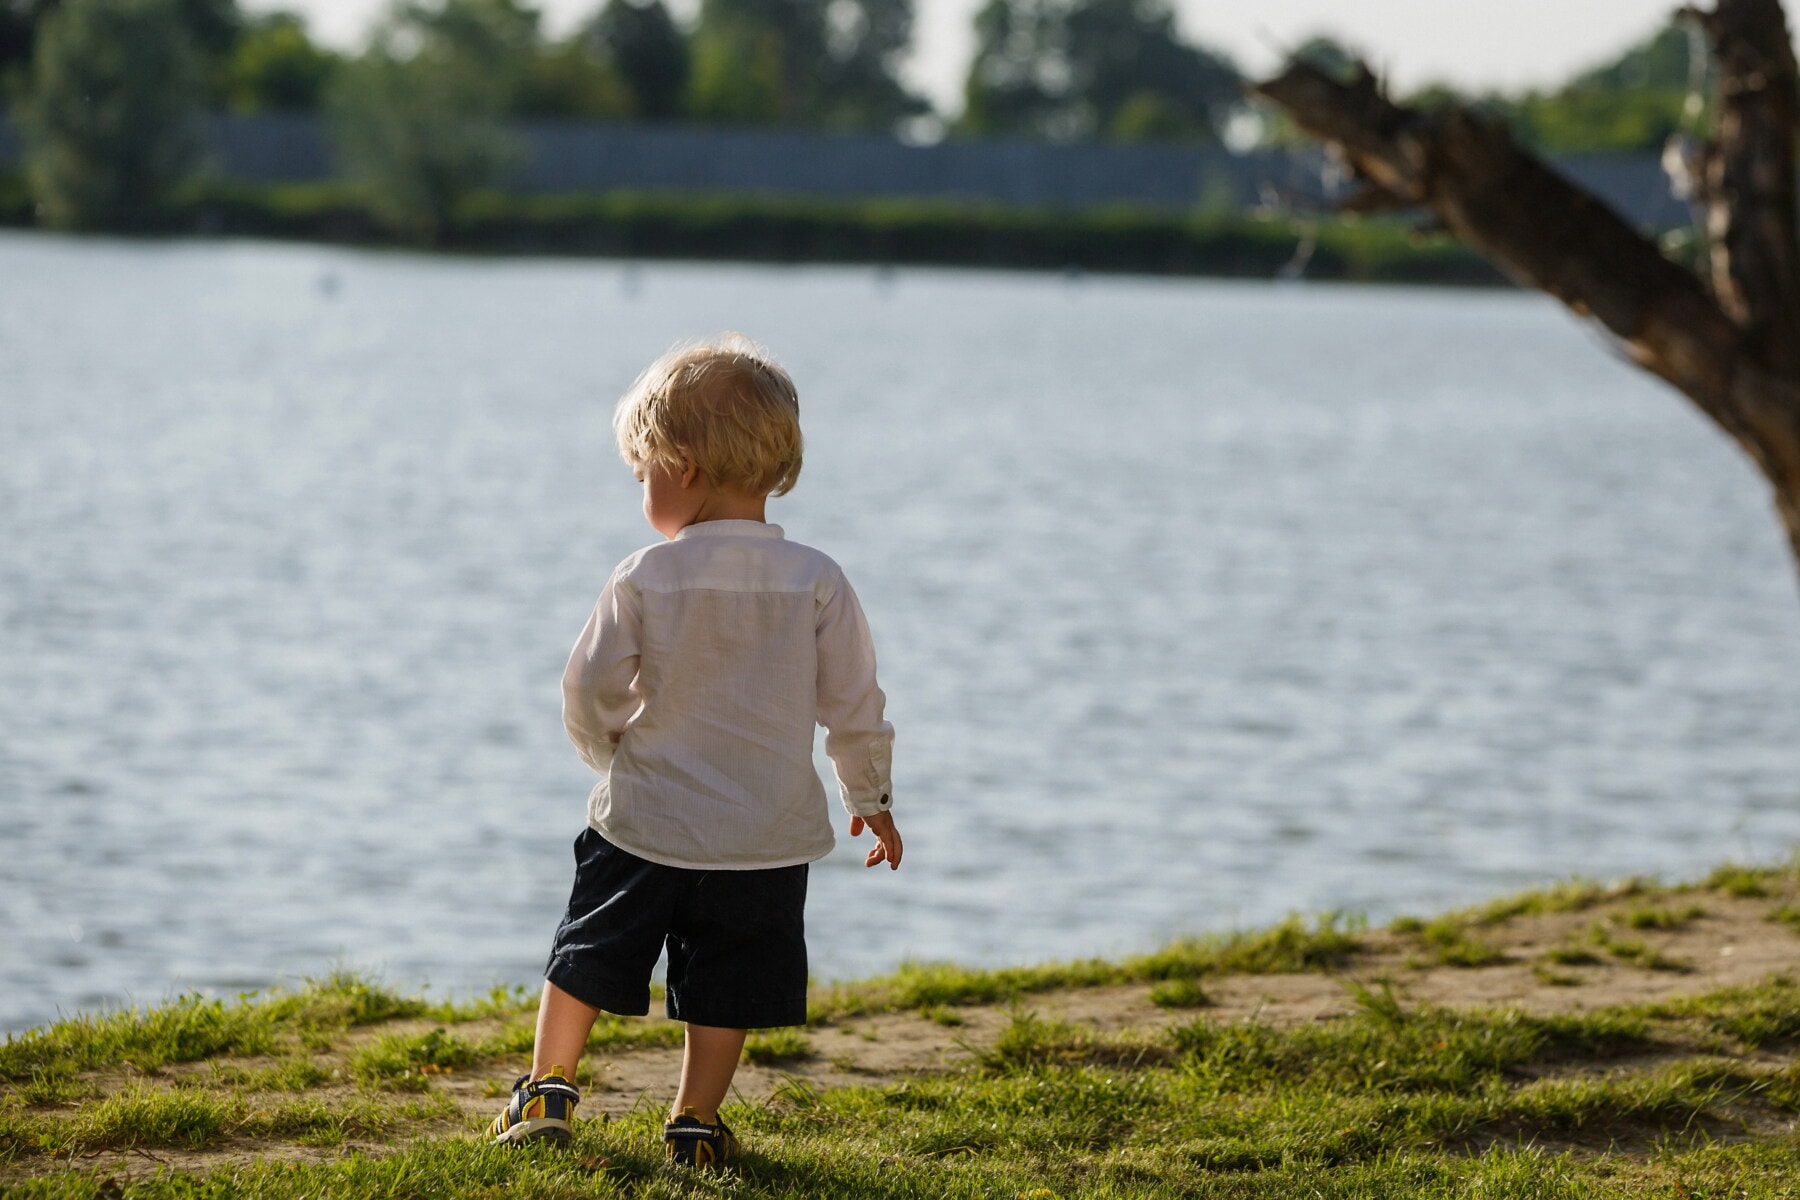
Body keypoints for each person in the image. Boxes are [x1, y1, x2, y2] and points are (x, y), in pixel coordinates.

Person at [488, 335, 902, 1167]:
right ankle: (695, 1122)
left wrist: (605, 752)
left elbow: (587, 688)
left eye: (642, 473)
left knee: (589, 954)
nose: (642, 490)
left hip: (647, 819)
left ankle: (549, 1088)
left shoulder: (645, 575)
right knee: (732, 981)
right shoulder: (818, 579)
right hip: (764, 835)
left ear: (681, 467)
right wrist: (870, 797)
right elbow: (854, 705)